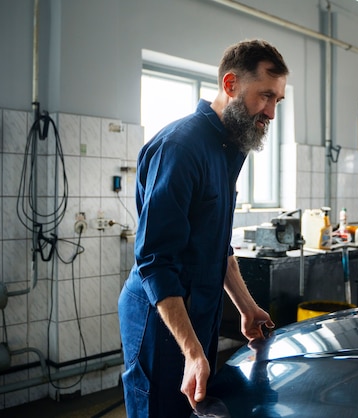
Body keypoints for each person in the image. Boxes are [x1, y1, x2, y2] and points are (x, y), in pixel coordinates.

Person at [118, 39, 289, 418]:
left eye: (277, 100)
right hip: (159, 319)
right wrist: (192, 352)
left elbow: (216, 243)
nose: (272, 112)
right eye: (265, 96)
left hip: (201, 313)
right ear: (230, 85)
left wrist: (246, 308)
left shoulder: (232, 146)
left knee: (193, 410)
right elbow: (155, 262)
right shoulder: (181, 148)